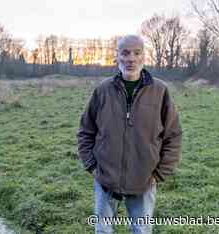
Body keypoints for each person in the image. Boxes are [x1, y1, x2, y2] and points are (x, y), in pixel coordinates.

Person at [77, 35, 182, 234]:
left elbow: (174, 135)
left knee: (141, 230)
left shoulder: (160, 91)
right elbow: (85, 131)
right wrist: (92, 166)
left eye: (137, 53)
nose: (131, 59)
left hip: (144, 181)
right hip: (105, 179)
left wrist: (159, 173)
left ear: (144, 56)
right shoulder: (102, 91)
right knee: (103, 230)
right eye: (125, 53)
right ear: (117, 57)